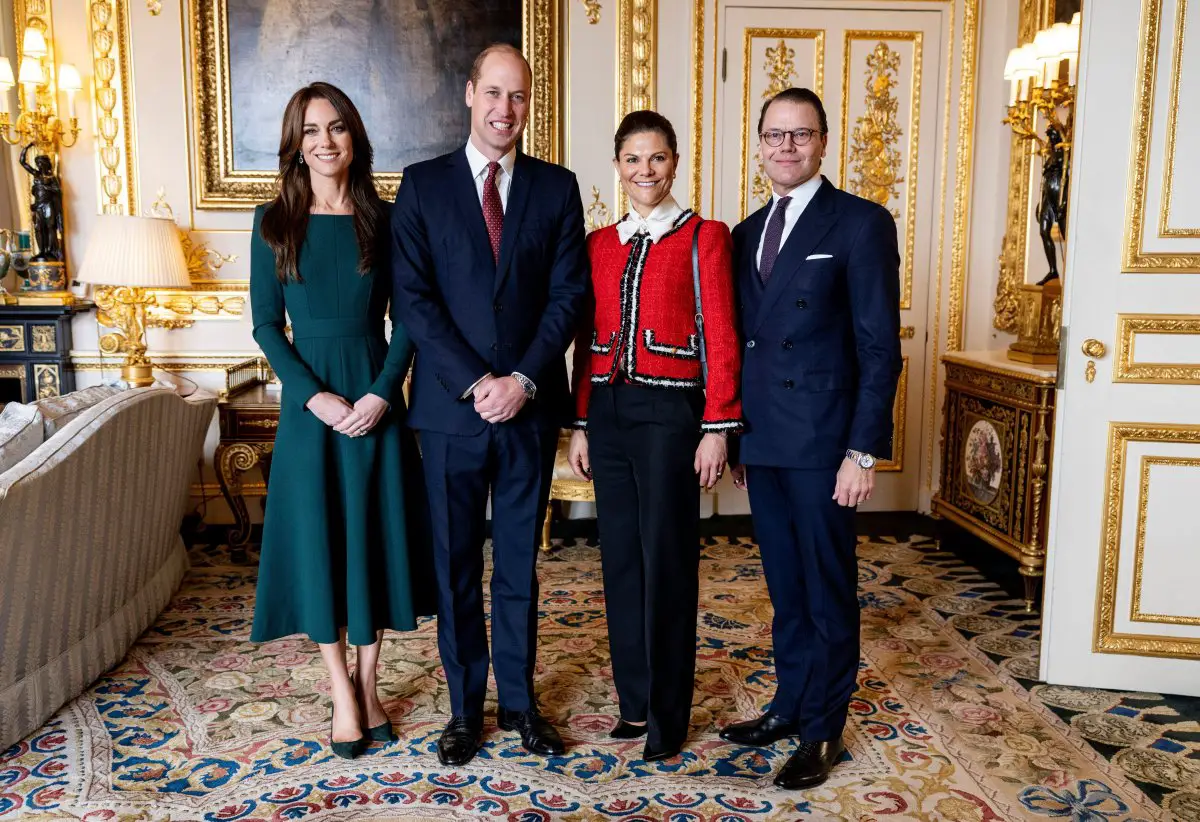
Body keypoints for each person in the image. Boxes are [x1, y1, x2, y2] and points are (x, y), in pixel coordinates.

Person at [391, 43, 589, 767]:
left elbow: (569, 296)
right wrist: (479, 382)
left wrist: (524, 381)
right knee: (452, 567)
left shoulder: (556, 187)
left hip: (528, 412)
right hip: (450, 414)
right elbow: (414, 301)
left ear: (529, 105)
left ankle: (522, 705)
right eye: (495, 93)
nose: (507, 109)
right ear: (470, 94)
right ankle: (464, 711)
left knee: (517, 566)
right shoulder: (421, 187)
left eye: (520, 97)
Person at [720, 87, 902, 789]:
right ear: (759, 143)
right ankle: (790, 705)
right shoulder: (744, 232)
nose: (786, 147)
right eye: (775, 135)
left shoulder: (859, 223)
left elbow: (879, 347)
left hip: (827, 446)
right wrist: (735, 437)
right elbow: (743, 343)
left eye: (800, 135)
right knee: (786, 590)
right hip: (764, 441)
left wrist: (862, 452)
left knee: (828, 593)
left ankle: (823, 729)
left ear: (824, 142)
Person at [249, 82, 434, 760]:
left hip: (375, 400)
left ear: (354, 137)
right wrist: (313, 397)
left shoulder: (386, 223)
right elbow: (267, 326)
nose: (325, 141)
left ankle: (369, 680)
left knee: (373, 541)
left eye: (337, 128)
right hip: (312, 410)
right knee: (324, 543)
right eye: (312, 130)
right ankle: (339, 689)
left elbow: (410, 317)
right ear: (297, 144)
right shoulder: (272, 223)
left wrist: (385, 392)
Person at [567, 111, 741, 762]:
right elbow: (585, 343)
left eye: (658, 158)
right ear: (617, 165)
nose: (645, 171)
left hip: (672, 418)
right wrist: (582, 422)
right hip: (609, 415)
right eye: (634, 159)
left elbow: (722, 336)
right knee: (620, 563)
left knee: (668, 562)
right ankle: (633, 702)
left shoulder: (705, 238)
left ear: (675, 162)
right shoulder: (598, 246)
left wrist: (718, 427)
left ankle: (669, 716)